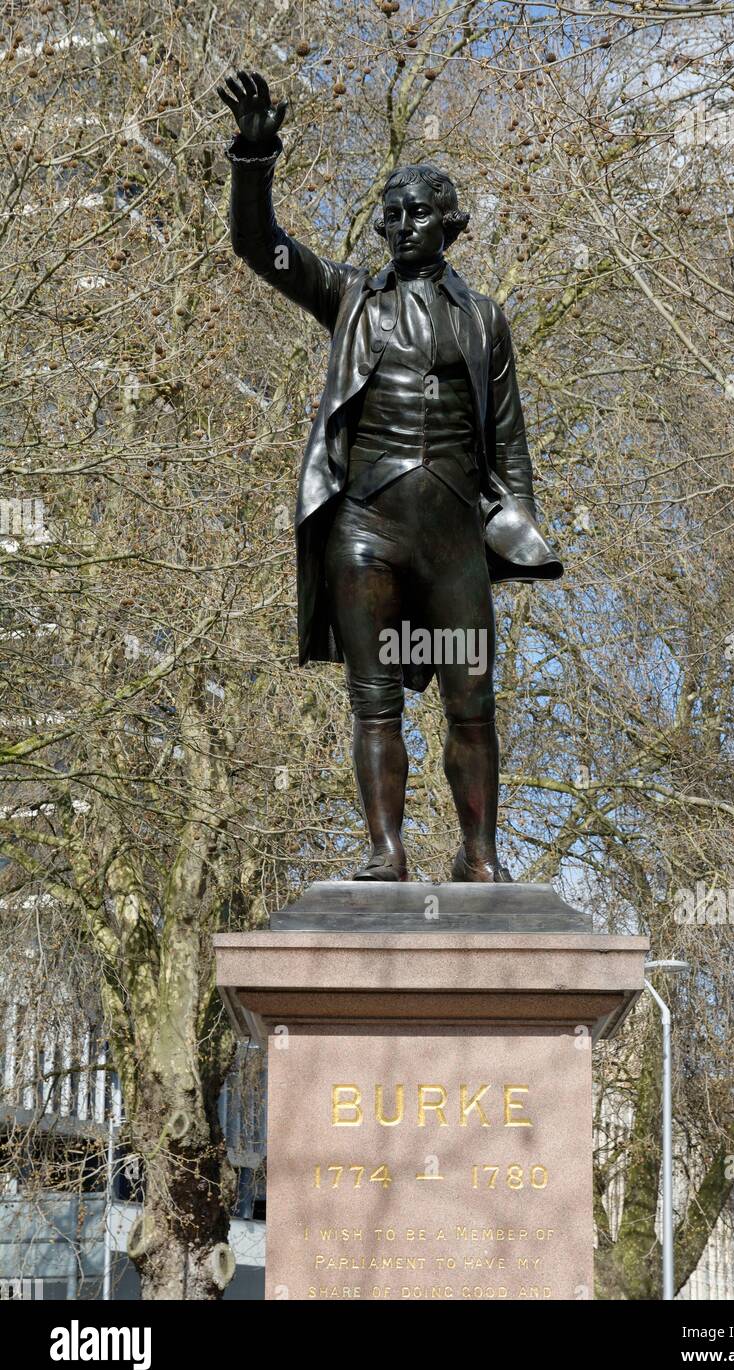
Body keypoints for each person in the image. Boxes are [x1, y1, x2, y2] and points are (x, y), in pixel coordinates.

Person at [219, 70, 562, 883]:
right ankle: (386, 850)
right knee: (373, 701)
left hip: (453, 537)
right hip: (366, 527)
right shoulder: (350, 300)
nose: (401, 226)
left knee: (471, 704)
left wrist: (522, 523)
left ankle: (479, 854)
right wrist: (255, 156)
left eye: (418, 213)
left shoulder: (484, 320)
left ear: (451, 225)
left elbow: (507, 440)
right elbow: (257, 246)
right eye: (392, 213)